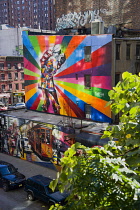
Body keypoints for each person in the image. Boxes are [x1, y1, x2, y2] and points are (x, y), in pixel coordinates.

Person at [39, 44, 66, 114]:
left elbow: (54, 69)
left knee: (49, 91)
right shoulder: (51, 58)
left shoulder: (53, 58)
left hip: (46, 77)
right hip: (45, 77)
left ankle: (54, 106)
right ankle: (50, 105)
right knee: (47, 91)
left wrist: (60, 62)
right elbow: (53, 69)